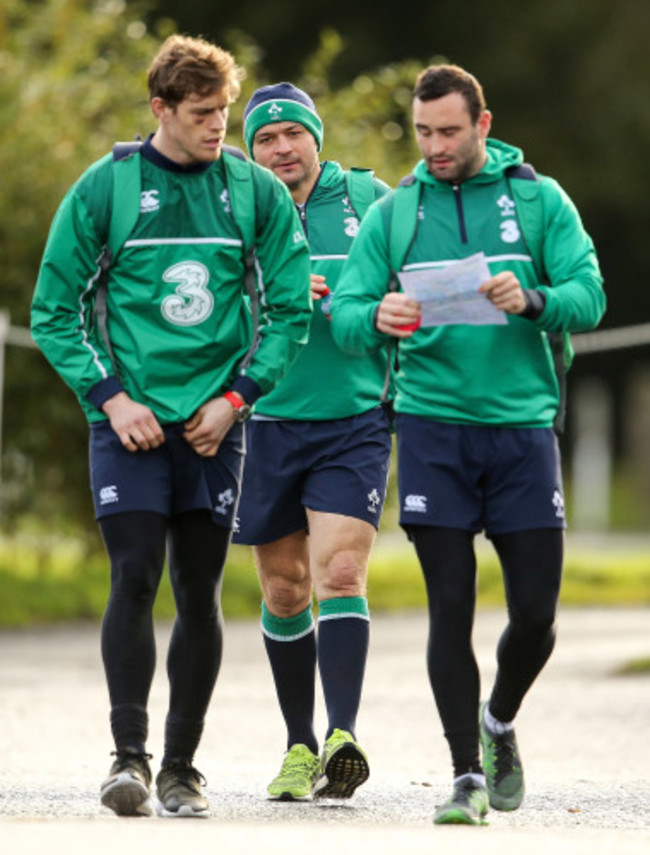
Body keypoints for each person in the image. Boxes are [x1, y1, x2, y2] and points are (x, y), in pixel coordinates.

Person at [31, 36, 311, 819]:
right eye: (201, 113)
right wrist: (112, 399)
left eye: (224, 110)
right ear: (160, 109)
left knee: (199, 587)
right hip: (128, 422)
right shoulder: (108, 187)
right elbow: (54, 311)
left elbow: (289, 312)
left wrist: (237, 398)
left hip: (215, 426)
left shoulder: (254, 192)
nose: (219, 125)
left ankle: (183, 767)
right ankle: (129, 757)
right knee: (133, 574)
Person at [331, 64, 605, 825]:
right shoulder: (395, 211)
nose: (435, 147)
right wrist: (377, 314)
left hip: (522, 429)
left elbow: (589, 295)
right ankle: (464, 775)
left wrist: (535, 299)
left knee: (537, 613)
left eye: (449, 131)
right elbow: (346, 315)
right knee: (450, 605)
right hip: (430, 426)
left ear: (483, 124)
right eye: (423, 132)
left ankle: (499, 721)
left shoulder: (539, 200)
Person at [232, 83, 392, 801]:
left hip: (353, 417)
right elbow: (204, 309)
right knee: (284, 586)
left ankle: (342, 735)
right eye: (265, 139)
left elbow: (407, 285)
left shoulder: (368, 199)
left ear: (316, 138)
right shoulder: (236, 210)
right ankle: (298, 745)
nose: (281, 148)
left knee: (341, 572)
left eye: (293, 133)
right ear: (251, 151)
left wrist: (354, 299)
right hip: (263, 420)